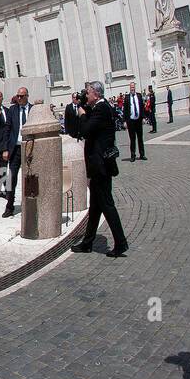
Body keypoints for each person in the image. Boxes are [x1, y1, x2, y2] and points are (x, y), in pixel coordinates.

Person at [70, 82, 129, 257]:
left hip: (101, 166)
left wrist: (82, 114)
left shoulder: (101, 109)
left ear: (96, 94)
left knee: (107, 205)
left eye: (87, 93)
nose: (85, 95)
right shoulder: (99, 108)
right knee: (95, 207)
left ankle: (121, 243)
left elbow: (87, 130)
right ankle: (88, 243)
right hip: (98, 166)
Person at [0, 86, 30, 218]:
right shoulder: (13, 110)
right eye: (17, 96)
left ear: (27, 96)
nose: (19, 98)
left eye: (22, 96)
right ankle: (9, 205)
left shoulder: (33, 110)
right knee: (11, 178)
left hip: (29, 149)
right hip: (15, 149)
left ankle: (31, 203)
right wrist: (6, 149)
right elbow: (7, 130)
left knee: (31, 177)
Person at [123, 82, 147, 162]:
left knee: (140, 138)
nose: (132, 89)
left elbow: (142, 107)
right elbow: (125, 110)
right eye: (131, 87)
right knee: (132, 139)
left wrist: (143, 117)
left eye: (133, 87)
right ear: (129, 88)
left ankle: (142, 154)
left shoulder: (139, 96)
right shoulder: (127, 98)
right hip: (131, 121)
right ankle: (133, 155)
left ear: (135, 87)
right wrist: (125, 121)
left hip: (138, 120)